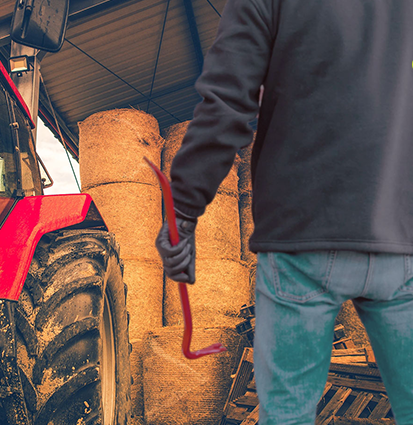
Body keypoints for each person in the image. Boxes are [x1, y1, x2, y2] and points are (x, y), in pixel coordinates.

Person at [154, 0, 413, 424]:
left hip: (301, 239)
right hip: (399, 236)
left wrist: (182, 210)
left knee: (288, 414)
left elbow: (227, 105)